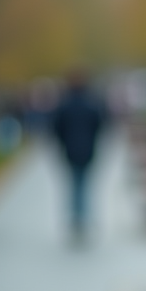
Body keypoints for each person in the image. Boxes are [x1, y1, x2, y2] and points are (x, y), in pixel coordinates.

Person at [51, 70, 106, 240]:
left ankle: (77, 217)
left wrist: (64, 142)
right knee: (84, 183)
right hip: (88, 150)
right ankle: (82, 216)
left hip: (70, 150)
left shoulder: (64, 105)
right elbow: (99, 125)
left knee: (74, 183)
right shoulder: (91, 104)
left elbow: (57, 128)